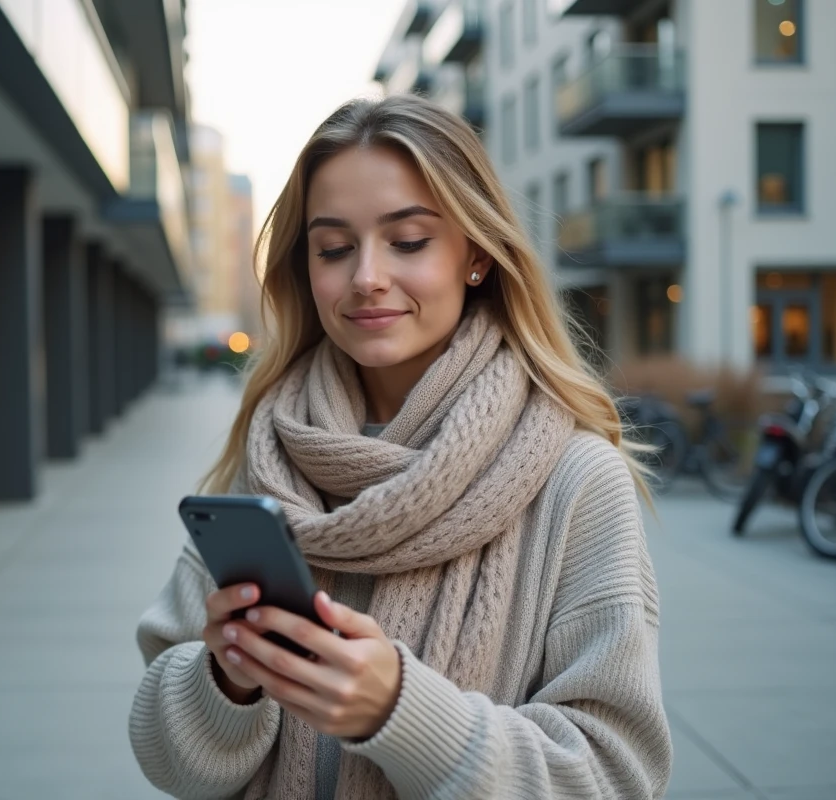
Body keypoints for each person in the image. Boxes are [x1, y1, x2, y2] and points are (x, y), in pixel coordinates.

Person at [128, 95, 672, 800]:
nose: (365, 277)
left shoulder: (575, 479)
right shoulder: (265, 458)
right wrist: (226, 680)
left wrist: (402, 712)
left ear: (475, 255)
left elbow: (615, 775)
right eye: (333, 248)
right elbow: (169, 760)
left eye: (408, 240)